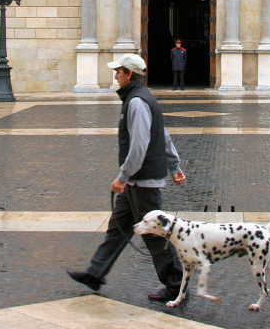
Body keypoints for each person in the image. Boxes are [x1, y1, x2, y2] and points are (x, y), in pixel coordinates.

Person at [66, 53, 188, 301]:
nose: (115, 76)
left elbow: (140, 144)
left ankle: (177, 285)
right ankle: (95, 274)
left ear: (129, 74)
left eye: (118, 71)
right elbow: (162, 136)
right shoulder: (140, 98)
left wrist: (123, 176)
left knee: (156, 237)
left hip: (141, 182)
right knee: (117, 230)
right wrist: (174, 166)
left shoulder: (137, 102)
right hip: (136, 181)